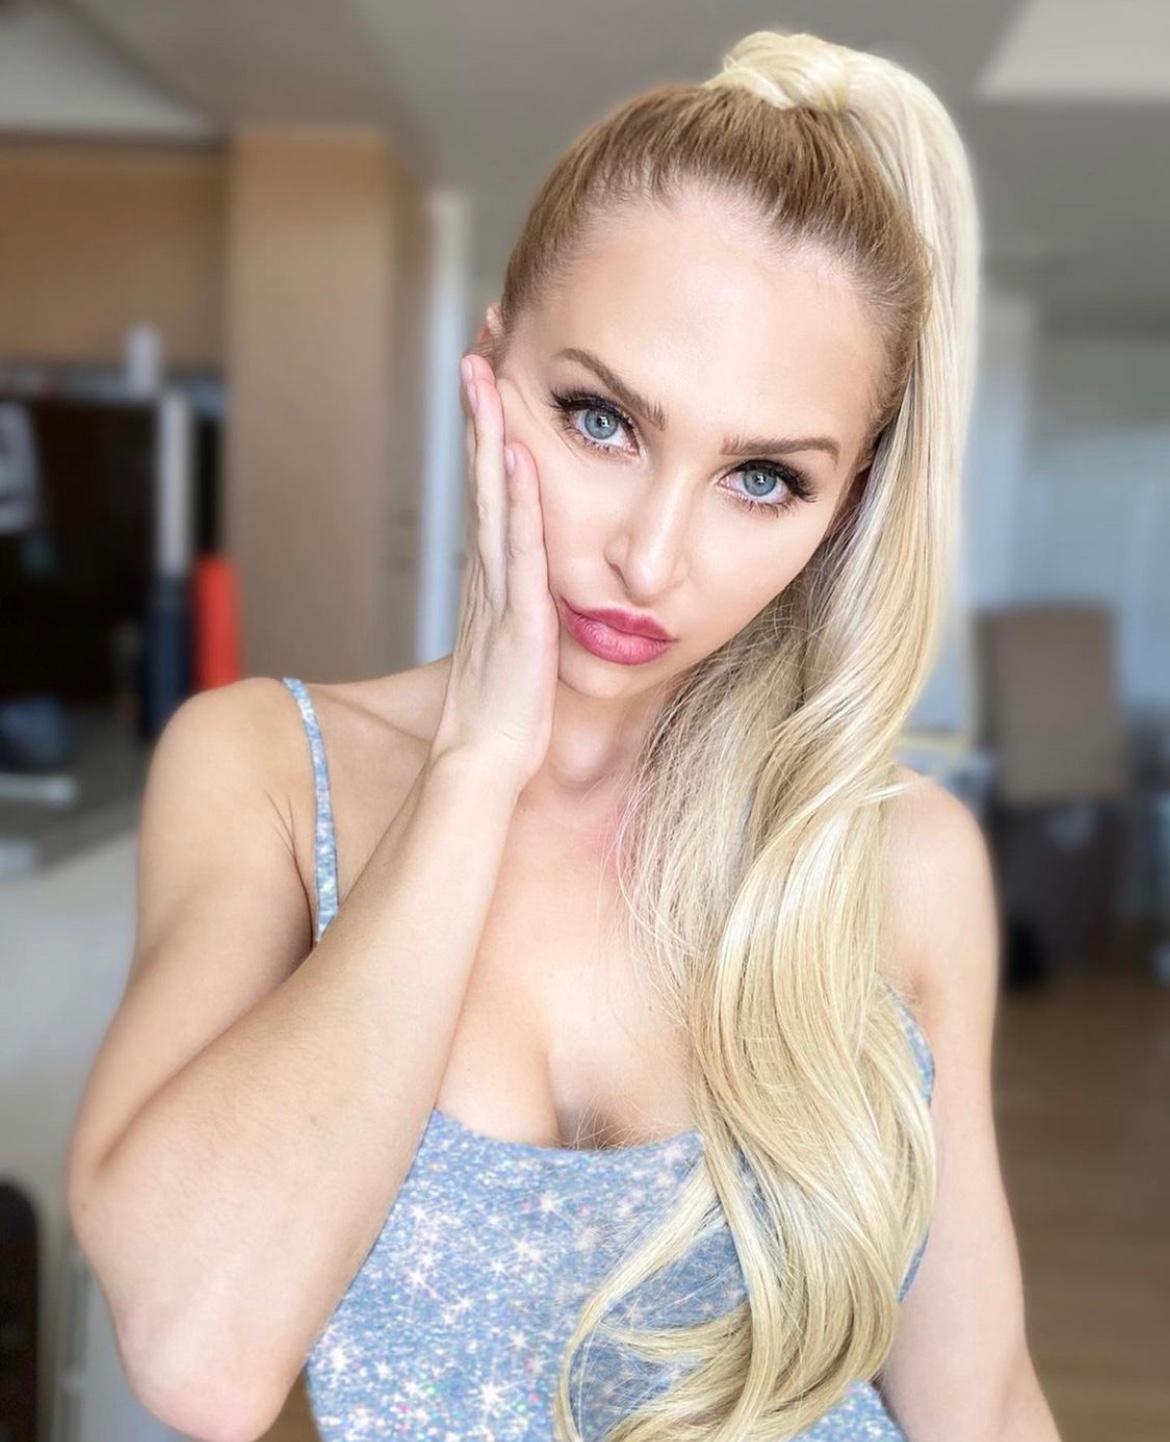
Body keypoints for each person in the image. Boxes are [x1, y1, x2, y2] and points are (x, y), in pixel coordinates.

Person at [64, 27, 1062, 1442]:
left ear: (839, 513)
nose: (650, 557)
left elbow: (982, 1397)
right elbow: (200, 1361)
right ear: (489, 372)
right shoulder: (267, 775)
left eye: (762, 479)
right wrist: (476, 767)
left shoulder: (896, 856)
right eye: (601, 420)